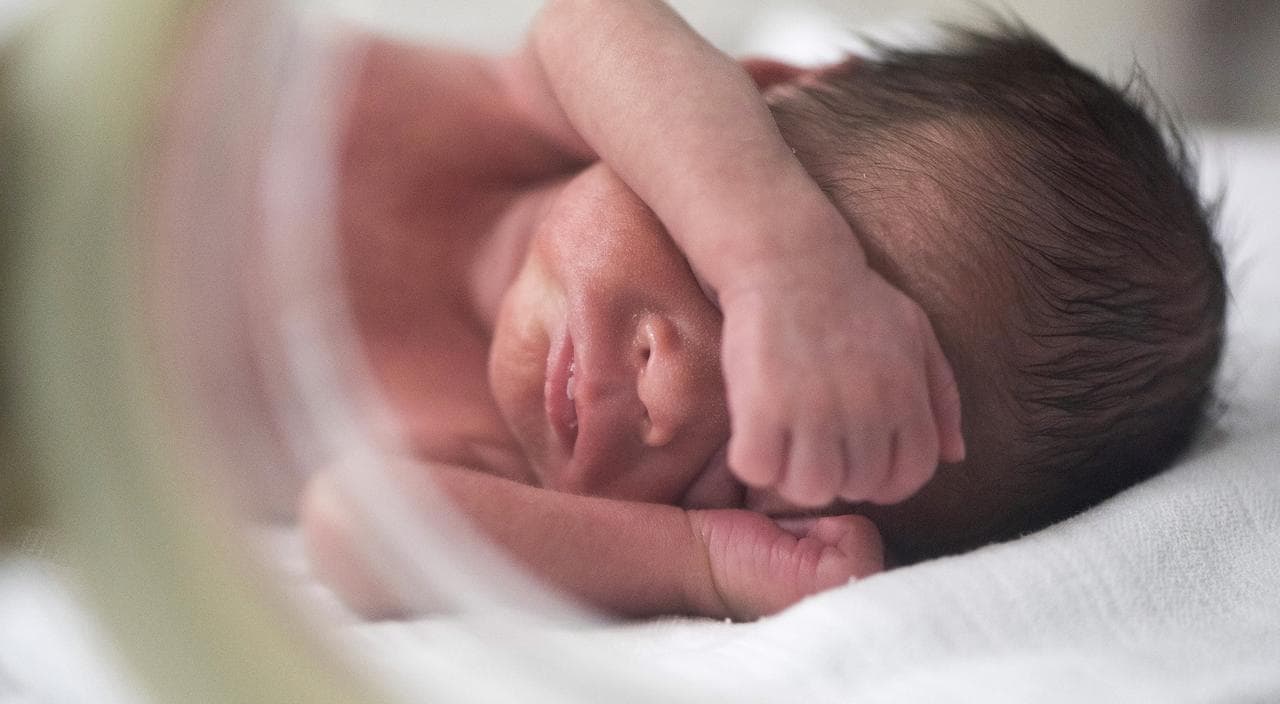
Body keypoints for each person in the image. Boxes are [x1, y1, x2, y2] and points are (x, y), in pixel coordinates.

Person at [301, 0, 1225, 621]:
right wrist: (778, 263)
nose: (669, 405)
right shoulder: (512, 115)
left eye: (739, 476)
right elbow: (594, 20)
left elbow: (354, 527)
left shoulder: (489, 457)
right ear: (757, 90)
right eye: (715, 289)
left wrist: (699, 559)